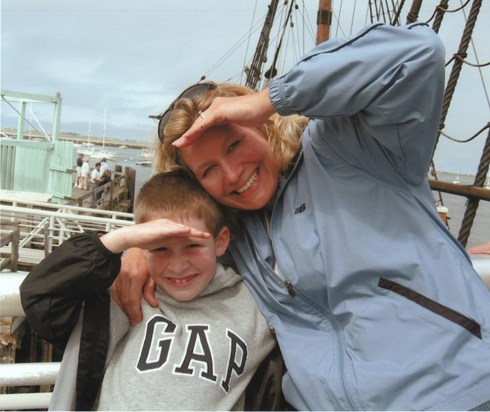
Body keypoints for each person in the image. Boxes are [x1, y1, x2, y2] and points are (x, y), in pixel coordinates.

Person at [115, 22, 490, 411]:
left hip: (458, 392)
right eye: (208, 170)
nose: (232, 174)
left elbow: (418, 52)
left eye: (235, 144)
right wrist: (143, 249)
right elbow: (183, 236)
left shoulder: (351, 149)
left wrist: (272, 98)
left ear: (263, 126)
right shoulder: (234, 238)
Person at [20, 169, 279, 411]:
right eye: (161, 248)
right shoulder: (125, 295)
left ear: (221, 241)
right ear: (141, 246)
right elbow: (42, 297)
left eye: (192, 246)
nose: (178, 266)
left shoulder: (256, 307)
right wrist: (119, 241)